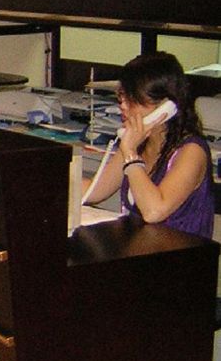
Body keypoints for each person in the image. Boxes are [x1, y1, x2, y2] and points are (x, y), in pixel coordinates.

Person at [82, 51, 214, 239]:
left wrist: (130, 154)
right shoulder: (138, 141)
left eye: (132, 99)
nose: (123, 106)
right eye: (122, 97)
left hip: (181, 254)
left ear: (167, 106)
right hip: (140, 249)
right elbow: (96, 191)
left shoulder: (191, 151)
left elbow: (154, 211)